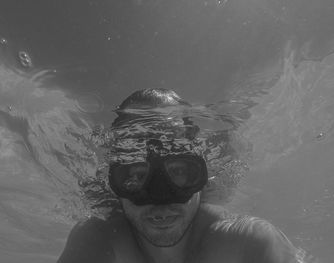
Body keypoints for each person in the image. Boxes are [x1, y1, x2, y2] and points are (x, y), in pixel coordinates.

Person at [57, 88, 307, 263]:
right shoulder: (98, 238)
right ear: (115, 184)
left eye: (178, 172)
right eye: (134, 176)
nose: (160, 199)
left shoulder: (249, 240)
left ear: (200, 176)